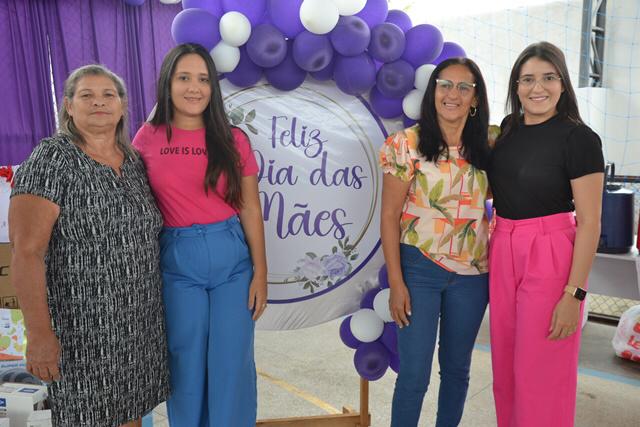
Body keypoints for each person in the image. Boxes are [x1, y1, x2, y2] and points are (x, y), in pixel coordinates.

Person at [9, 65, 169, 427]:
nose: (99, 102)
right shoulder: (52, 159)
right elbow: (26, 252)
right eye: (86, 95)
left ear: (123, 106)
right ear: (68, 106)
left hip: (140, 329)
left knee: (132, 415)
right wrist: (39, 334)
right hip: (81, 333)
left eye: (108, 95)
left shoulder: (134, 162)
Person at [132, 43, 267, 427]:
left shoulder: (233, 139)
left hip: (232, 263)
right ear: (168, 83)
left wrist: (260, 272)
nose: (194, 87)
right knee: (186, 362)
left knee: (231, 361)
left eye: (203, 79)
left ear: (213, 88)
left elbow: (250, 207)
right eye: (184, 78)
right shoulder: (147, 137)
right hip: (178, 263)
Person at [488, 41, 604, 427]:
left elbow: (590, 222)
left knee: (541, 373)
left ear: (563, 83)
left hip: (549, 251)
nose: (537, 88)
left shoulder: (579, 138)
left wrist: (574, 294)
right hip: (502, 247)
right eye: (528, 79)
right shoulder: (508, 130)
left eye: (548, 78)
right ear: (516, 86)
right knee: (506, 370)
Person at [379, 57, 491, 427]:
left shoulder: (487, 148)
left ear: (475, 98)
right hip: (419, 270)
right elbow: (389, 216)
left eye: (463, 87)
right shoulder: (406, 144)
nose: (453, 94)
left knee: (457, 371)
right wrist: (397, 282)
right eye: (445, 85)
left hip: (473, 275)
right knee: (414, 375)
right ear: (433, 92)